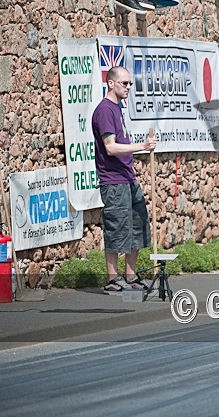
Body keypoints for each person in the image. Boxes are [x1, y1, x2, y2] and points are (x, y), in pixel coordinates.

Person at [91, 66, 157, 294]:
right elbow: (110, 147)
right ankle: (112, 277)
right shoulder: (105, 110)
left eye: (130, 83)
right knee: (116, 228)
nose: (128, 87)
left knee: (137, 225)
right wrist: (142, 146)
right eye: (124, 83)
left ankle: (130, 275)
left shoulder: (118, 109)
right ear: (111, 83)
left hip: (128, 177)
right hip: (113, 180)